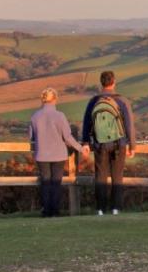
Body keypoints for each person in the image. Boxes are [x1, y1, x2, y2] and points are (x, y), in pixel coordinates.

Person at [81, 70, 136, 215]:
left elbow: (87, 123)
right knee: (117, 176)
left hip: (100, 144)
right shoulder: (122, 101)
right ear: (114, 82)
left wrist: (85, 142)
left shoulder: (94, 101)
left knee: (100, 176)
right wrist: (132, 145)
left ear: (101, 83)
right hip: (120, 143)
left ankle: (100, 209)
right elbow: (129, 124)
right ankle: (115, 208)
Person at [28, 87, 87, 217]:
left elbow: (32, 138)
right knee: (56, 183)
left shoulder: (35, 116)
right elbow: (67, 137)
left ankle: (45, 211)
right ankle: (55, 211)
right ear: (55, 99)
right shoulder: (60, 116)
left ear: (43, 100)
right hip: (58, 154)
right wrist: (81, 148)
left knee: (45, 183)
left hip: (42, 155)